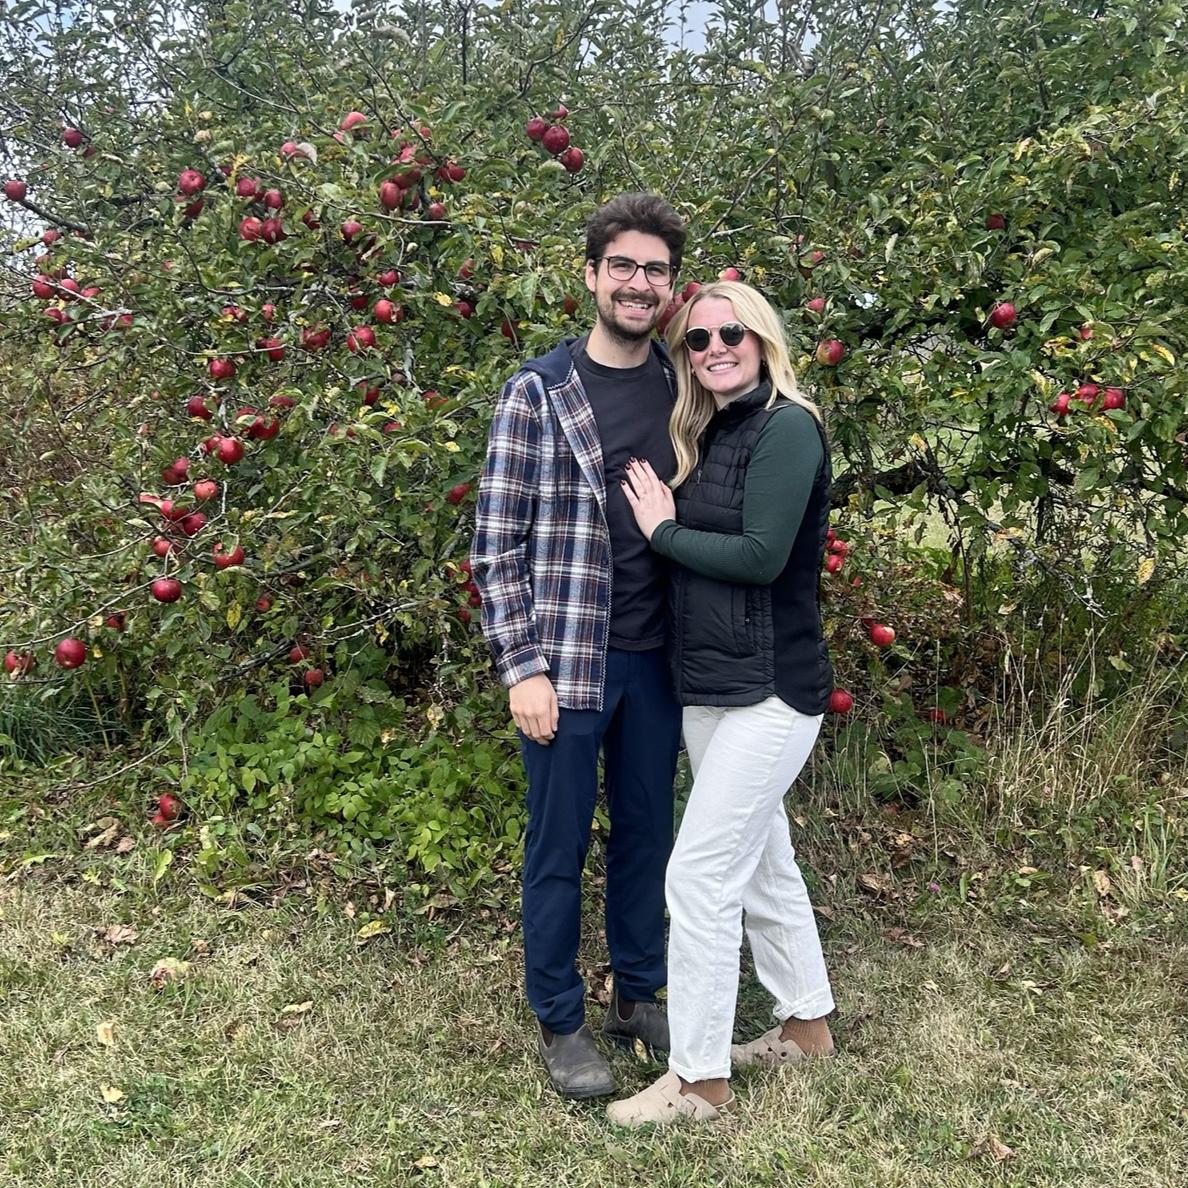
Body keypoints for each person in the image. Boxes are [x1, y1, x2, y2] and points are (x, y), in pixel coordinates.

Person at [471, 193, 687, 1099]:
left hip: (659, 661)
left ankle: (638, 992)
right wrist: (521, 666)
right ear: (592, 275)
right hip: (565, 662)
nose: (639, 283)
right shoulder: (539, 391)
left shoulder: (682, 385)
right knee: (558, 845)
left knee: (647, 835)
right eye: (623, 266)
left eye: (655, 270)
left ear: (671, 287)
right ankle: (560, 1017)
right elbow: (495, 544)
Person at [606, 280, 837, 1127]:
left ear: (762, 338)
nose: (714, 349)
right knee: (764, 859)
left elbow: (761, 557)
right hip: (708, 684)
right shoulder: (710, 430)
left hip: (773, 691)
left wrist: (662, 531)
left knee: (700, 876)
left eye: (730, 333)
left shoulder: (787, 427)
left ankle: (699, 1081)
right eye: (697, 340)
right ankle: (806, 1025)